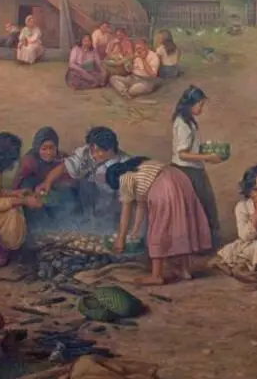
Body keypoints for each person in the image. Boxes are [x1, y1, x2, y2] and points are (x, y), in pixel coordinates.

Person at [108, 157, 213, 285]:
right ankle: (184, 270)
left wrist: (121, 238)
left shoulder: (125, 178)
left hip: (164, 185)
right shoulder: (139, 170)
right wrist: (135, 230)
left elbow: (126, 211)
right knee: (181, 225)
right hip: (180, 179)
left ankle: (156, 276)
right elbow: (141, 206)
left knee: (158, 229)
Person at [37, 127, 129, 225]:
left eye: (97, 151)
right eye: (92, 150)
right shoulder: (86, 152)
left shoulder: (124, 163)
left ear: (109, 149)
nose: (93, 155)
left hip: (112, 205)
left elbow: (126, 199)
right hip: (88, 199)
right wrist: (47, 182)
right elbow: (64, 167)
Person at [171, 85, 223, 248]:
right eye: (200, 105)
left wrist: (205, 151)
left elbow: (190, 148)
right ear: (189, 104)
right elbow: (182, 153)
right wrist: (207, 157)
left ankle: (203, 243)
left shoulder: (188, 121)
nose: (201, 108)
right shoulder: (183, 124)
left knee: (202, 206)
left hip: (193, 168)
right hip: (188, 171)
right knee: (203, 205)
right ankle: (203, 244)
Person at [13, 127, 78, 231]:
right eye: (44, 149)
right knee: (27, 183)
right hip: (34, 198)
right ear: (37, 147)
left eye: (52, 148)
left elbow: (72, 182)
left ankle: (61, 226)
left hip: (53, 195)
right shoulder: (28, 161)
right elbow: (17, 185)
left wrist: (56, 187)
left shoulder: (61, 158)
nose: (49, 152)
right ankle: (38, 228)